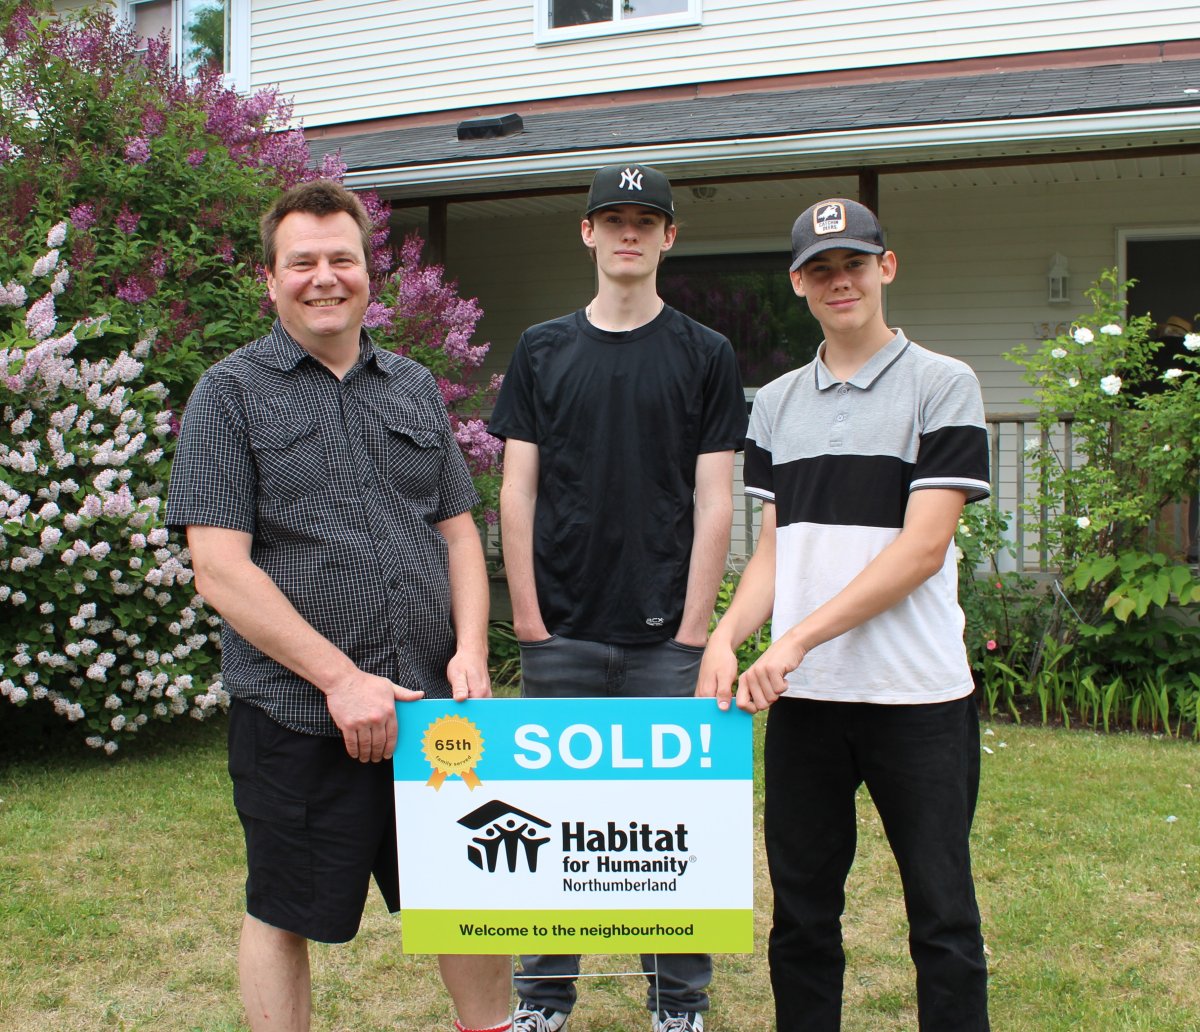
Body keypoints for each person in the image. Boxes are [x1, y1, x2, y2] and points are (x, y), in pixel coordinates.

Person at [166, 179, 512, 1032]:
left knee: (466, 893)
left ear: (369, 272)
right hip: (295, 712)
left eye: (341, 259)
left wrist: (471, 647)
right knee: (285, 909)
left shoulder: (411, 386)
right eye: (303, 261)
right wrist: (340, 679)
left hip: (436, 711)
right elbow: (219, 568)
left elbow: (459, 532)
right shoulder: (228, 394)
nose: (325, 277)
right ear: (271, 279)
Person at [697, 198, 991, 1031]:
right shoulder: (779, 402)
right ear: (798, 283)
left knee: (943, 919)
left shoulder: (944, 384)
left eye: (855, 264)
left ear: (885, 268)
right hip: (808, 706)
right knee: (802, 920)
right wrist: (727, 635)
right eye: (820, 269)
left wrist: (792, 637)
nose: (841, 281)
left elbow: (922, 547)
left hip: (918, 700)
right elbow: (774, 552)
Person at [488, 162, 748, 1032]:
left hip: (664, 638)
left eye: (647, 219)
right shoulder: (542, 348)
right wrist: (526, 616)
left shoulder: (706, 355)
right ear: (588, 232)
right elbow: (515, 489)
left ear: (670, 236)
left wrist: (694, 628)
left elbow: (717, 500)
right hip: (558, 626)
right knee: (551, 819)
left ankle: (680, 1003)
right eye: (613, 217)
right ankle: (541, 998)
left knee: (673, 823)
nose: (629, 232)